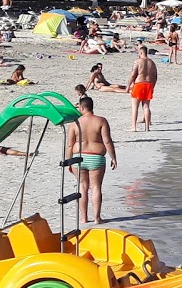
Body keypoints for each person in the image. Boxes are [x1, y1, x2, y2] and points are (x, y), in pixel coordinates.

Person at [65, 96, 117, 224]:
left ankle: (83, 218)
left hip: (79, 157)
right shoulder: (101, 121)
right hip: (96, 157)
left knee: (82, 187)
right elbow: (107, 141)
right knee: (96, 187)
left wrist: (68, 161)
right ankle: (97, 218)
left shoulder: (74, 123)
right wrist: (113, 157)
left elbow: (70, 145)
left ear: (81, 107)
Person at [127, 45, 157, 132]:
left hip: (139, 84)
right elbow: (155, 76)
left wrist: (128, 86)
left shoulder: (138, 61)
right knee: (146, 106)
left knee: (135, 106)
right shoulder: (152, 62)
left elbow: (133, 74)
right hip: (149, 84)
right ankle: (147, 127)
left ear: (140, 52)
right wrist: (153, 86)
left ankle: (134, 126)